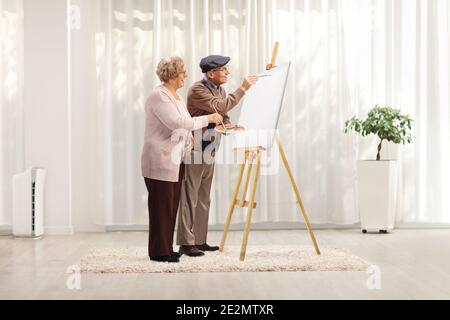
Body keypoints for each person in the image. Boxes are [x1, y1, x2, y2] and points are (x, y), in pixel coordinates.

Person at [141, 56, 223, 263]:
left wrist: (190, 141)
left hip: (175, 159)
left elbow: (183, 125)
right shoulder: (158, 96)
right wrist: (209, 118)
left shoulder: (175, 96)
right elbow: (177, 122)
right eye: (182, 72)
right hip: (160, 159)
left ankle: (166, 248)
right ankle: (159, 252)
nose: (185, 75)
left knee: (171, 206)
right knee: (161, 207)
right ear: (171, 75)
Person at [177, 55, 258, 257]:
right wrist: (243, 88)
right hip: (195, 148)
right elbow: (220, 107)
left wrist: (230, 125)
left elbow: (222, 115)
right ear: (211, 73)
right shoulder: (198, 89)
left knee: (204, 197)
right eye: (224, 70)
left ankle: (200, 240)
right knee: (190, 197)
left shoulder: (219, 89)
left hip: (210, 148)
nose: (227, 73)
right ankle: (186, 243)